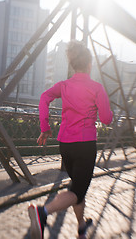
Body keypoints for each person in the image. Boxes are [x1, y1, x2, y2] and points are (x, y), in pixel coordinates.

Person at [28, 40, 113, 239]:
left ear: (73, 65)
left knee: (77, 187)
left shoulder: (63, 85)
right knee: (78, 190)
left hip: (65, 143)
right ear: (89, 65)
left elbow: (43, 98)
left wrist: (45, 127)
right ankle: (43, 213)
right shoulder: (96, 88)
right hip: (85, 145)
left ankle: (81, 226)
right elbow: (107, 119)